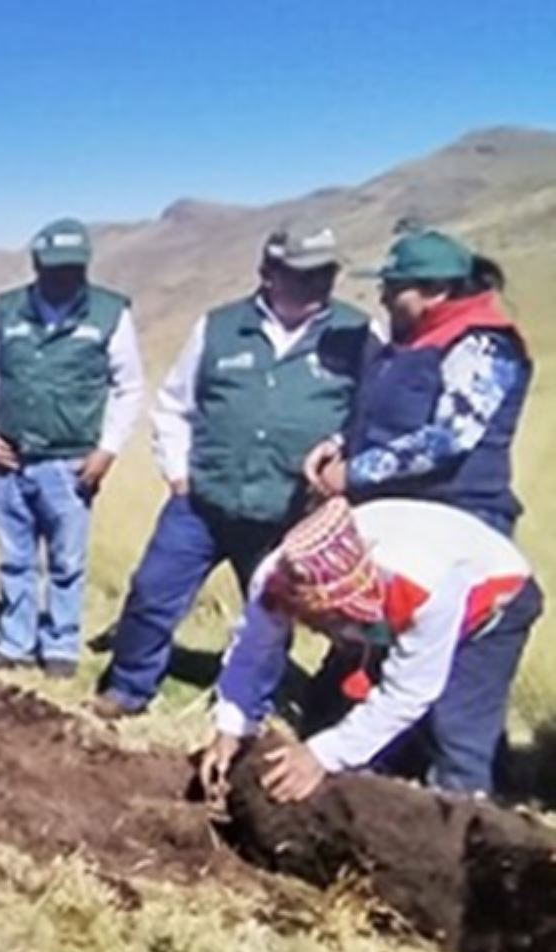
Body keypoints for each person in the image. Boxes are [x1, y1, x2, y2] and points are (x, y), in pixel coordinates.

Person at [95, 227, 371, 716]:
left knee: (271, 616)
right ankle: (129, 687)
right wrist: (179, 476)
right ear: (269, 275)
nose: (318, 284)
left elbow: (372, 416)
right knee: (153, 593)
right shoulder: (218, 328)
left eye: (326, 273)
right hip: (202, 502)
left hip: (290, 514)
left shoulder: (359, 334)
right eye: (304, 275)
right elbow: (175, 405)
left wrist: (339, 451)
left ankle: (248, 708)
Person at [200, 497, 539, 803]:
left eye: (333, 619)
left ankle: (464, 825)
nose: (322, 631)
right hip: (401, 599)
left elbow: (410, 692)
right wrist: (232, 727)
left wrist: (322, 756)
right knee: (330, 716)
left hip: (492, 601)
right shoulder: (279, 579)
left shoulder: (422, 589)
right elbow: (253, 653)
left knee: (455, 731)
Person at [0, 218, 145, 676]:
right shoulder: (6, 310)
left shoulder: (109, 313)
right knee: (15, 557)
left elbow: (129, 387)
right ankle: (16, 642)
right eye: (53, 269)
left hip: (71, 464)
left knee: (67, 560)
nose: (63, 278)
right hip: (10, 459)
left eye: (71, 269)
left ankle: (61, 647)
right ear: (36, 266)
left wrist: (107, 449)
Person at [304, 230, 531, 536]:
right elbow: (378, 414)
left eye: (394, 288)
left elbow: (449, 439)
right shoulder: (405, 344)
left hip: (459, 520)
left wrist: (353, 472)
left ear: (437, 290)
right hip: (393, 513)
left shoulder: (482, 345)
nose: (382, 298)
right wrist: (339, 444)